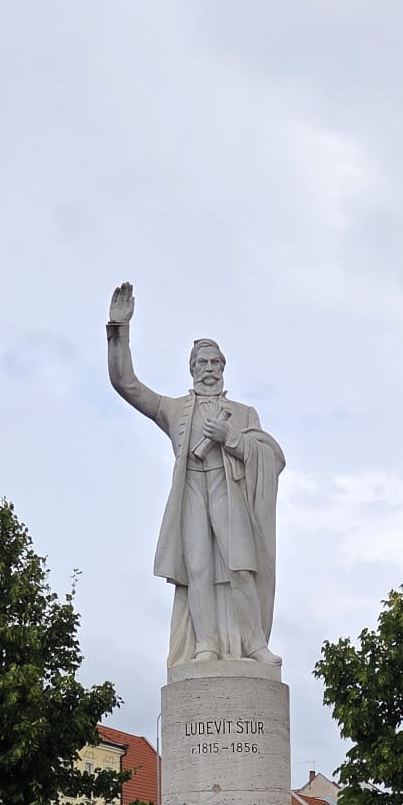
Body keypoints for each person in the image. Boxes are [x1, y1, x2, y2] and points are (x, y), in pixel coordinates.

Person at [106, 281, 284, 669]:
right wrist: (119, 330)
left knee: (240, 567)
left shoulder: (243, 413)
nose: (209, 370)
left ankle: (254, 643)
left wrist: (232, 437)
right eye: (202, 363)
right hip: (192, 491)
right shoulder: (173, 409)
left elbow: (271, 457)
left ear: (223, 369)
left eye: (215, 363)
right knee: (198, 569)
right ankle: (207, 644)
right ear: (191, 369)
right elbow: (126, 384)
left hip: (227, 489)